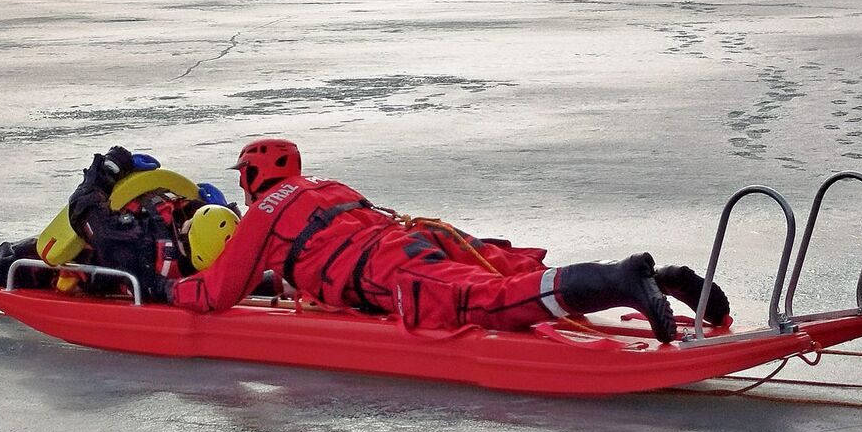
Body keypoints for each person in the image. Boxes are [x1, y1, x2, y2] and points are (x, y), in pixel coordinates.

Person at [154, 140, 730, 343]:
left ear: (254, 176)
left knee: (488, 301)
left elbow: (219, 292)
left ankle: (620, 280)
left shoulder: (262, 213)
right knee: (503, 270)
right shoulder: (326, 186)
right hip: (419, 234)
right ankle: (662, 279)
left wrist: (165, 290)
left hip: (385, 269)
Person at [0, 148, 229, 319]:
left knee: (5, 264)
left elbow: (84, 209)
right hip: (100, 256)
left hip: (78, 266)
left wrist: (105, 172)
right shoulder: (207, 259)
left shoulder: (132, 245)